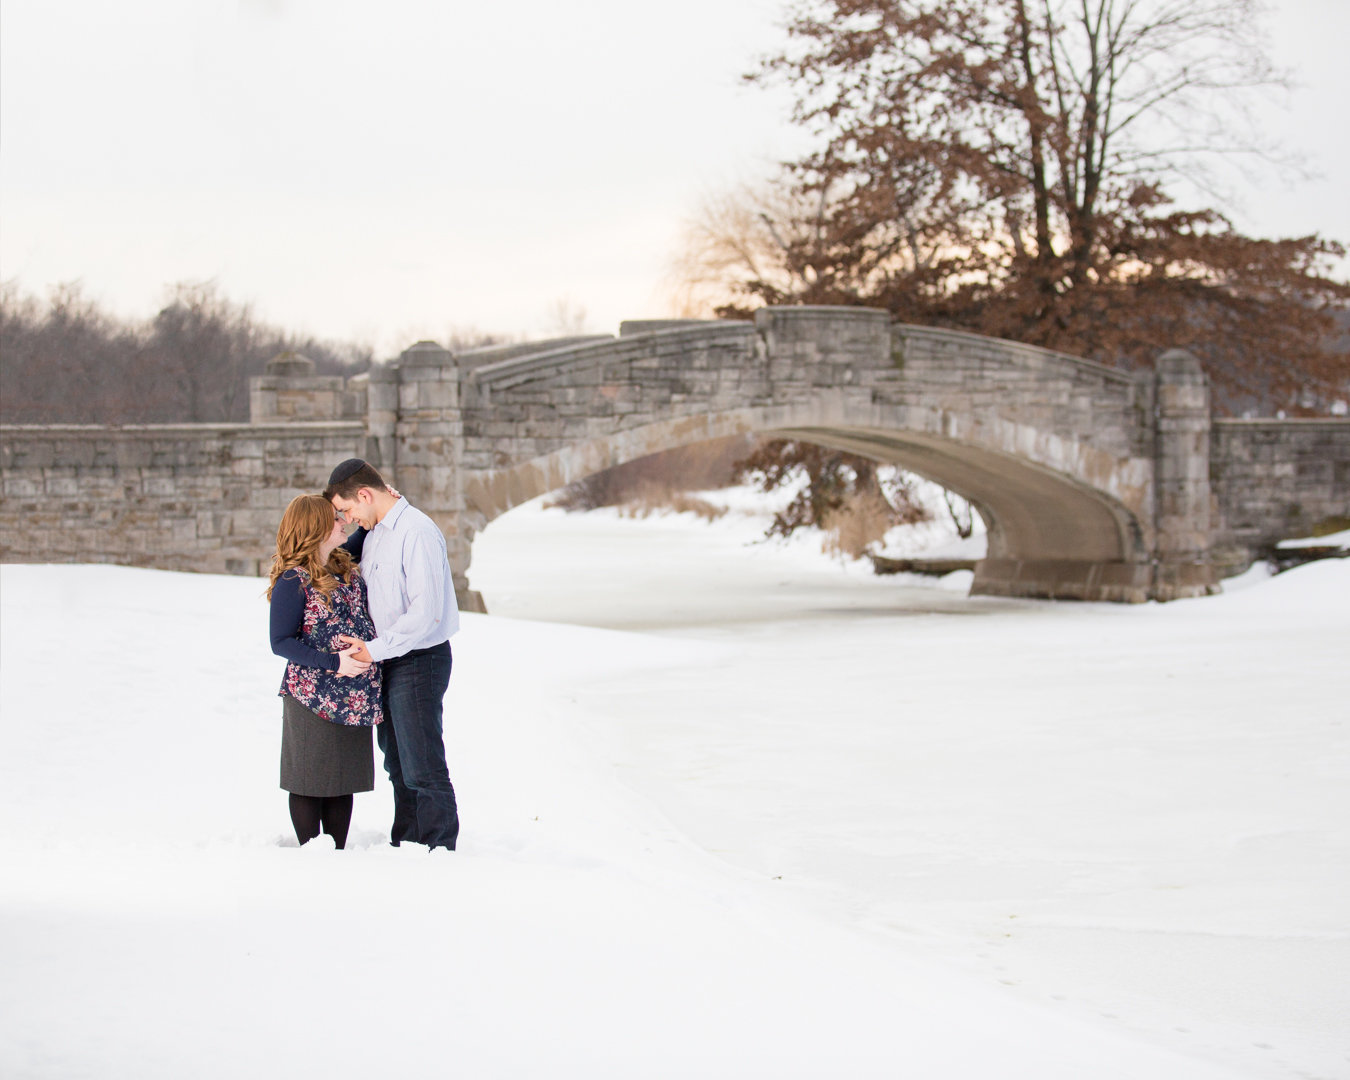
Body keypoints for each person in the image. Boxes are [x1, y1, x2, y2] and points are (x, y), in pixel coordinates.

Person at [324, 458, 461, 851]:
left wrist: (373, 650)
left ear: (364, 495)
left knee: (421, 764)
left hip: (420, 659)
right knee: (398, 764)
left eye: (347, 509)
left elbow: (426, 612)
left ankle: (437, 848)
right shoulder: (375, 533)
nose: (347, 519)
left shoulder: (416, 532)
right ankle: (408, 845)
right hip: (387, 659)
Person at [267, 494, 382, 849]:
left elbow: (371, 522)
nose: (342, 522)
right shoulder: (294, 579)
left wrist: (382, 498)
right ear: (314, 527)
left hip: (353, 696)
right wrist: (334, 663)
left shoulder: (344, 566)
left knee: (340, 780)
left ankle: (337, 854)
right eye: (334, 519)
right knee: (309, 779)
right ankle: (309, 856)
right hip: (311, 697)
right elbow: (281, 642)